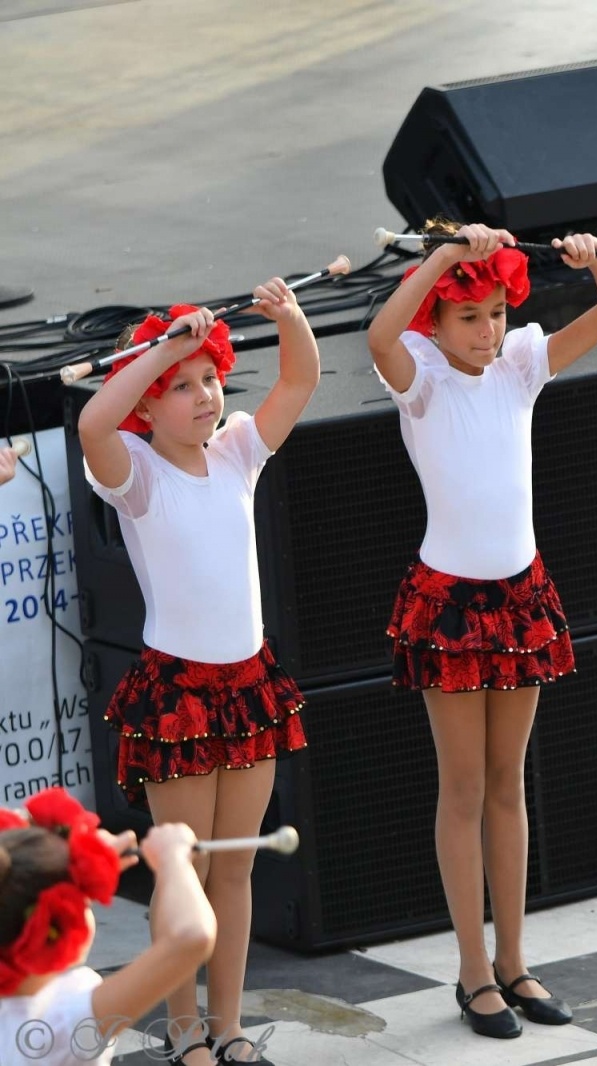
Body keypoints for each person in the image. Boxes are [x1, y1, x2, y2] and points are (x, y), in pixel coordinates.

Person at [367, 220, 597, 1037]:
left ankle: (515, 962)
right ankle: (472, 971)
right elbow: (380, 331)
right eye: (468, 318)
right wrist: (443, 259)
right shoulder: (417, 377)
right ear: (438, 323)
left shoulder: (520, 365)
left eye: (495, 313)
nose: (487, 333)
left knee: (507, 784)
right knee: (463, 787)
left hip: (518, 596)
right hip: (449, 602)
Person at [79, 281, 320, 1064]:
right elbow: (91, 421)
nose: (203, 395)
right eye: (181, 388)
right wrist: (167, 347)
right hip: (179, 693)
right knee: (183, 867)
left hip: (248, 685)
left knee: (237, 869)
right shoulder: (140, 477)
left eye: (209, 378)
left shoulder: (240, 453)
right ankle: (183, 1028)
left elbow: (300, 381)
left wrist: (289, 320)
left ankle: (230, 1023)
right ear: (148, 408)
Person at [0, 788, 216, 1066]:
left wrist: (79, 865)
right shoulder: (60, 1022)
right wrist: (174, 861)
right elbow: (191, 937)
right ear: (59, 927)